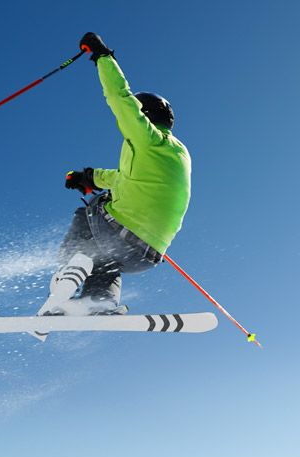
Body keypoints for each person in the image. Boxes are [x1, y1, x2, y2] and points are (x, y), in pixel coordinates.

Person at [36, 32, 191, 326]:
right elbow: (123, 179)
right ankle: (100, 301)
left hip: (121, 234)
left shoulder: (145, 137)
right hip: (146, 255)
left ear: (145, 115)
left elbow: (119, 97)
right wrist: (90, 177)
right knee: (103, 255)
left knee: (88, 213)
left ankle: (64, 283)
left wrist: (102, 56)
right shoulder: (176, 153)